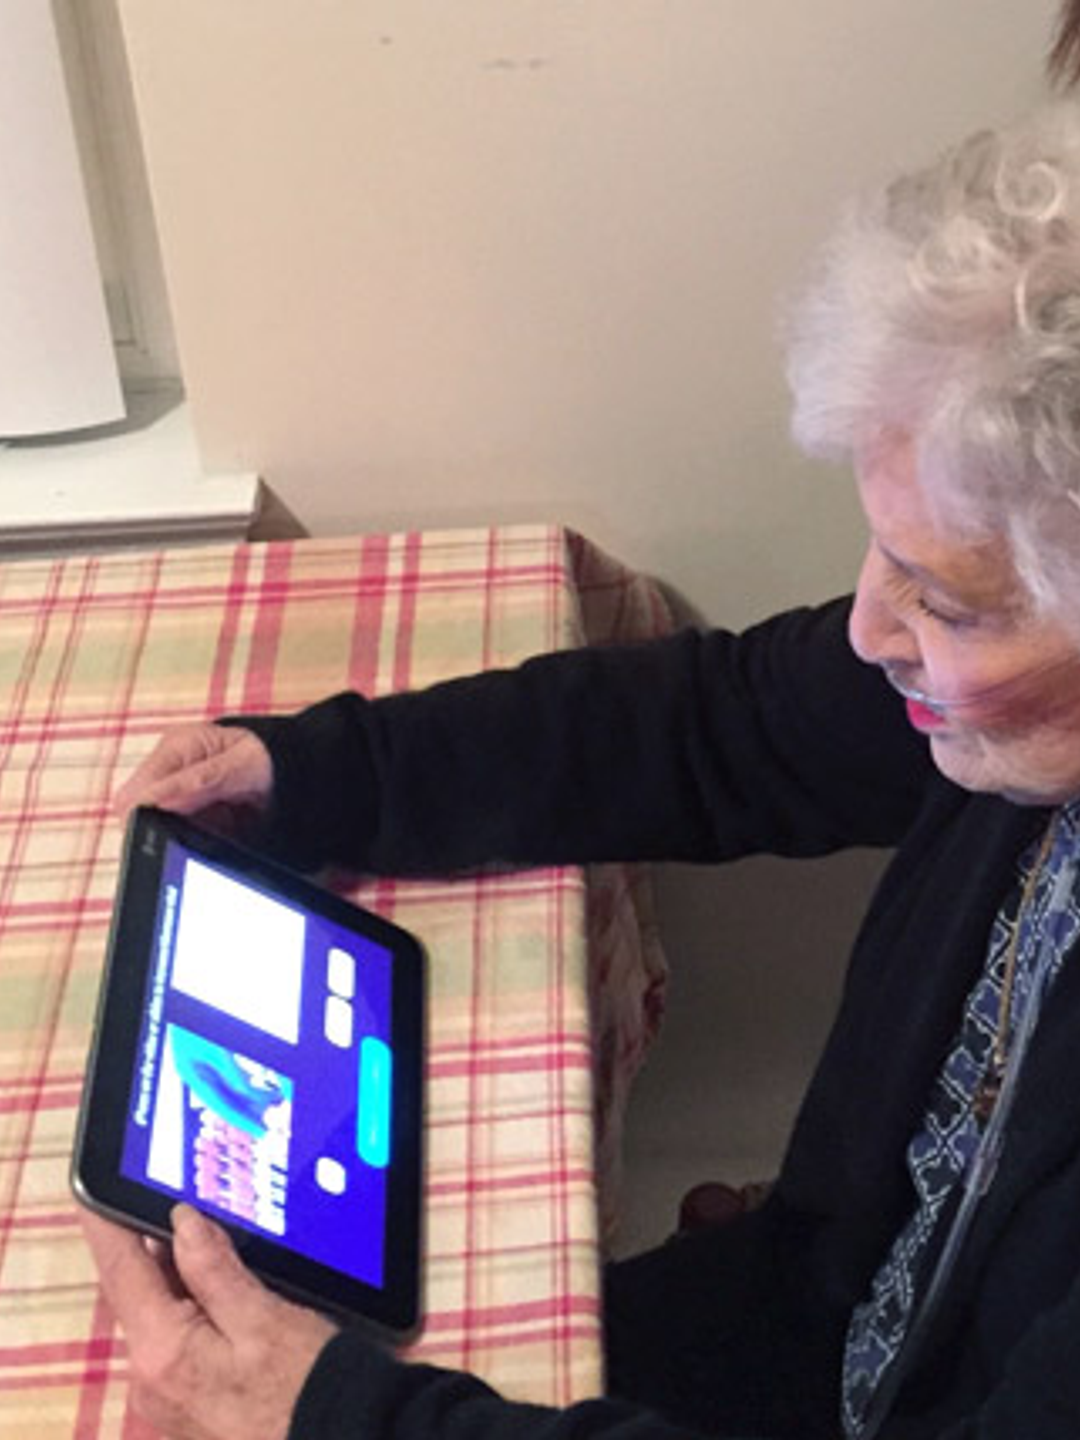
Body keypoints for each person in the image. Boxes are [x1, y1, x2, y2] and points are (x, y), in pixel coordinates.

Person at [78, 96, 1080, 1440]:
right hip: (817, 1319)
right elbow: (724, 724)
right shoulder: (1008, 714)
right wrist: (314, 771)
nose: (865, 628)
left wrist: (336, 1421)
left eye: (944, 604)